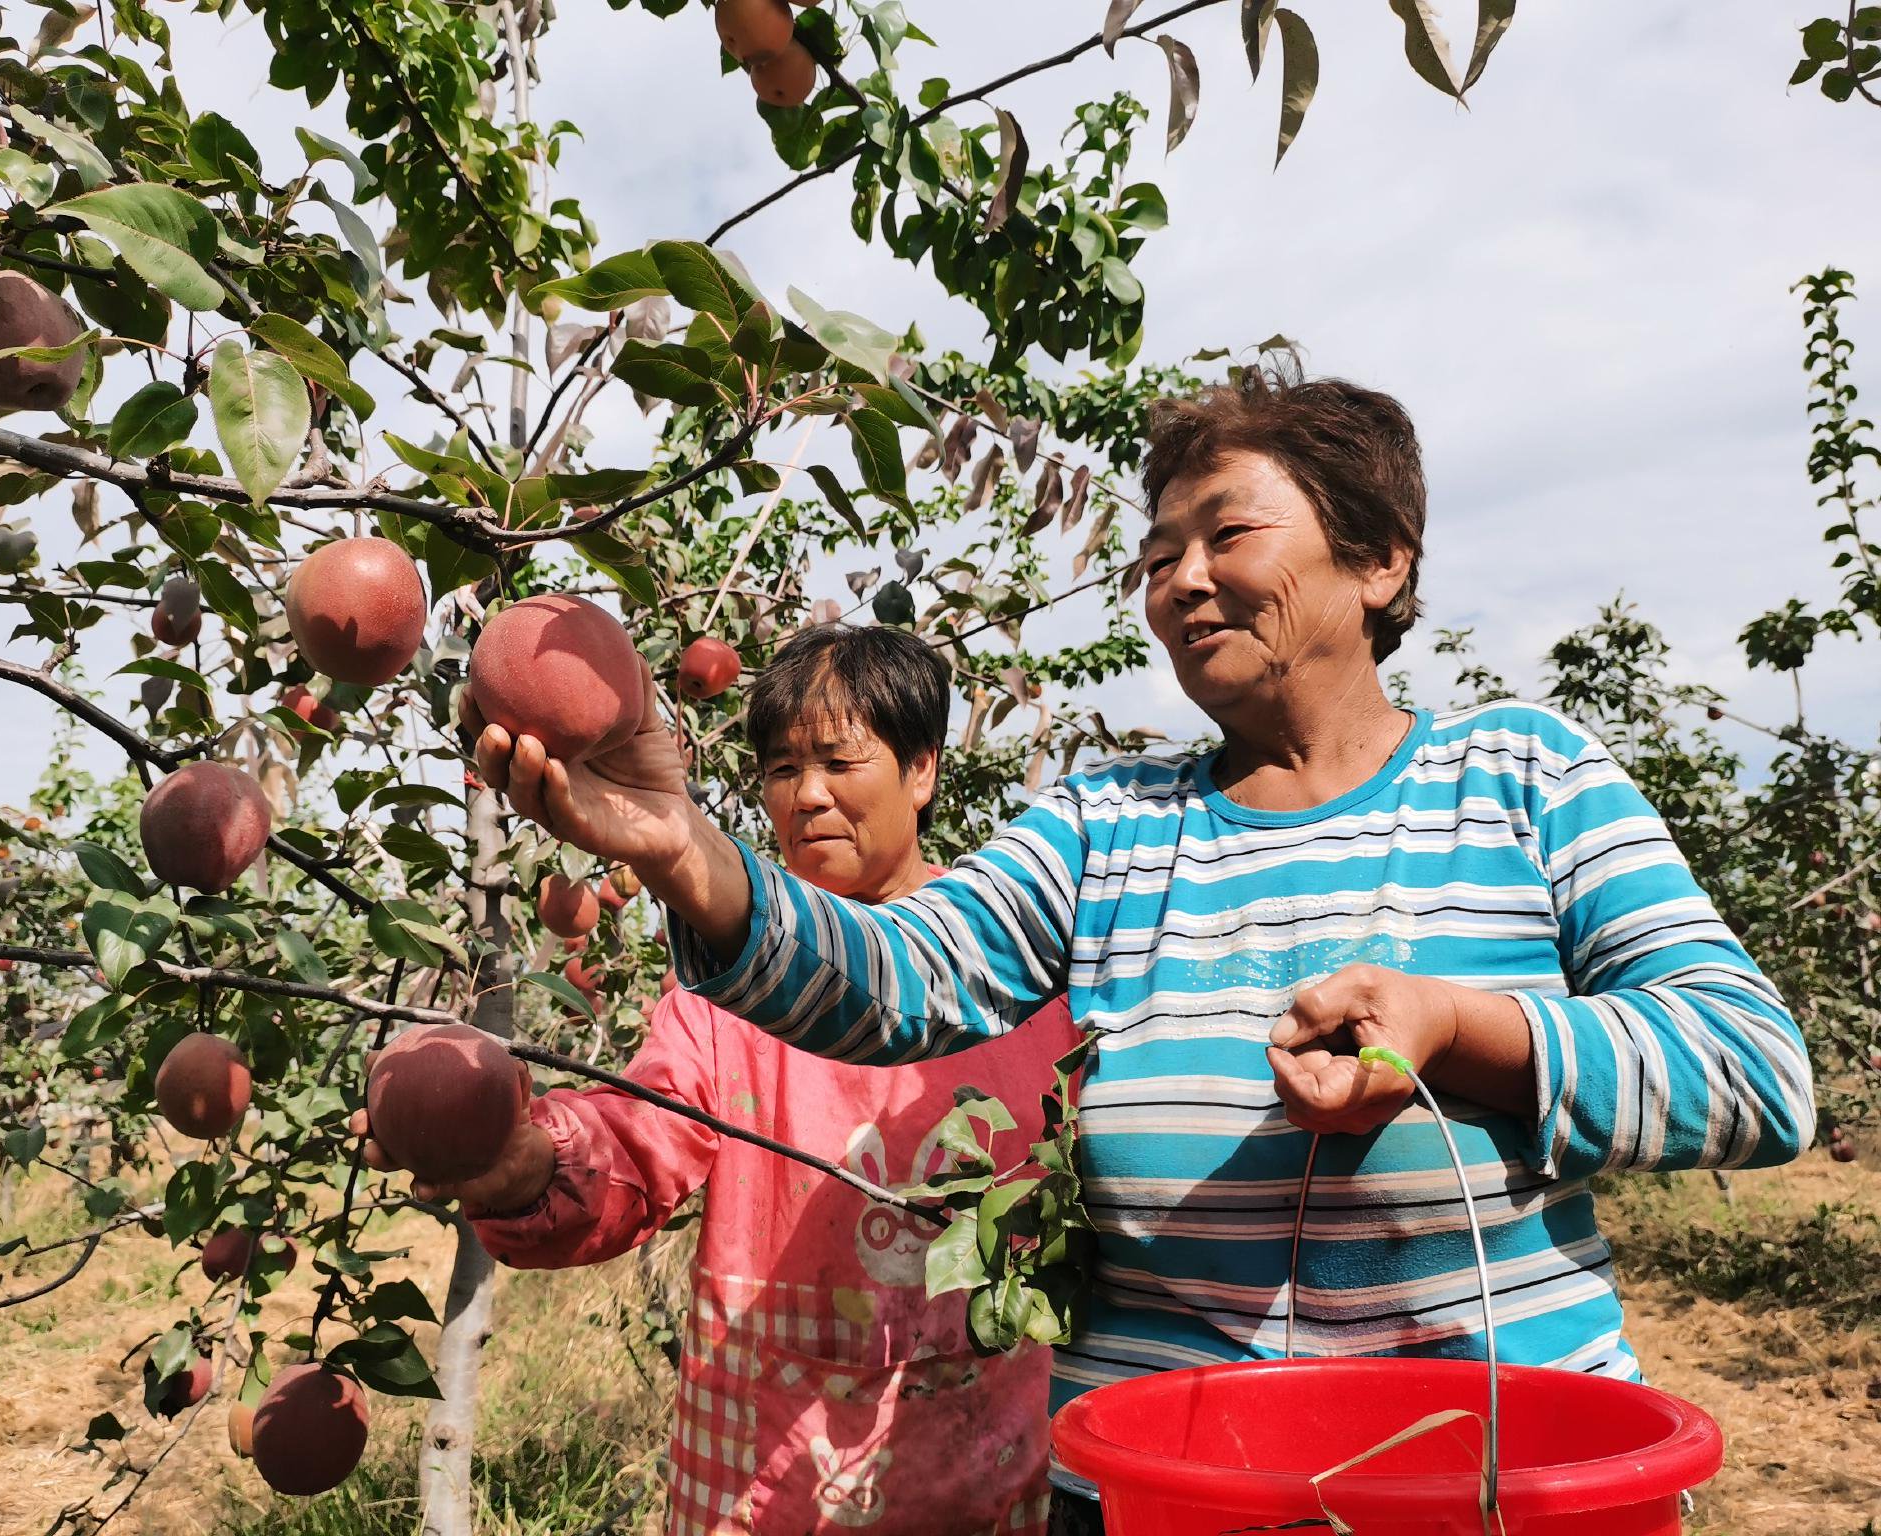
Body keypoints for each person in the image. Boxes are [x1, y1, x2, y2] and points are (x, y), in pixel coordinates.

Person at [478, 369, 1819, 1530]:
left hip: (1482, 1474)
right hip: (1164, 1489)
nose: (1179, 580)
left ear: (1381, 560)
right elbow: (896, 979)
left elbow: (1758, 1075)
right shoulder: (1105, 829)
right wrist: (692, 856)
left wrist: (1464, 1031)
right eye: (1156, 556)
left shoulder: (1525, 780)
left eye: (1226, 533)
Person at [364, 625, 1076, 1536]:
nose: (807, 795)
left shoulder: (1018, 976)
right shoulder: (734, 983)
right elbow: (641, 1136)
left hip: (983, 1486)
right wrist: (531, 1163)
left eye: (838, 762)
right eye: (782, 768)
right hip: (761, 1483)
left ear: (924, 772)